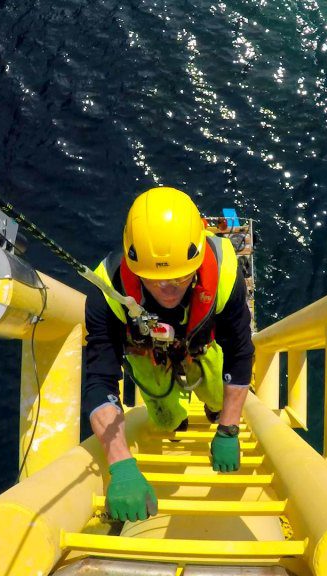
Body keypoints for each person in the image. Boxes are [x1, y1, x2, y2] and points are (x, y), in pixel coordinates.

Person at [83, 186, 255, 522]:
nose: (168, 288)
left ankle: (212, 410)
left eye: (180, 275)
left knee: (219, 395)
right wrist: (121, 465)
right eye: (154, 278)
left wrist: (229, 429)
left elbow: (239, 351)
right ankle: (177, 421)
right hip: (148, 358)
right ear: (134, 266)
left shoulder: (226, 276)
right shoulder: (107, 290)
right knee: (165, 418)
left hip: (201, 347)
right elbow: (99, 377)